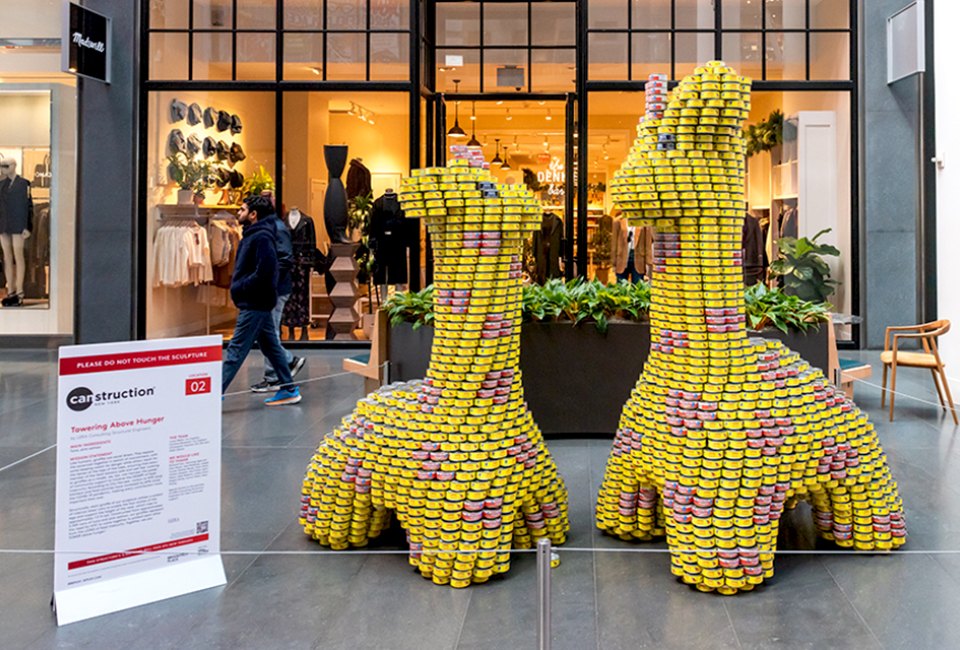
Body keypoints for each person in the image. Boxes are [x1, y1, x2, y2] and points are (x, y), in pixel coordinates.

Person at [222, 194, 301, 406]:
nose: (239, 212)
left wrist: (241, 286)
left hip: (255, 301)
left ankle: (212, 395)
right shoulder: (255, 234)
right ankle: (289, 388)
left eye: (242, 209)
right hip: (259, 300)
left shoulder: (262, 236)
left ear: (253, 214)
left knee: (236, 348)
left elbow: (267, 271)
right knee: (271, 346)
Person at [250, 203, 306, 392]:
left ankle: (276, 374)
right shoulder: (265, 230)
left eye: (244, 210)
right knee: (267, 332)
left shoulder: (277, 230)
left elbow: (284, 259)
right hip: (269, 288)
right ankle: (281, 369)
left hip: (275, 289)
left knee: (269, 332)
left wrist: (269, 281)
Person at [0, 158, 33, 307]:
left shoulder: (24, 184)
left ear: (14, 166)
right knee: (7, 257)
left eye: (6, 166)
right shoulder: (1, 185)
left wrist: (28, 226)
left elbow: (29, 206)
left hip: (19, 224)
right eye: (2, 166)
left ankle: (20, 291)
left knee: (18, 255)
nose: (3, 169)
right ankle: (11, 290)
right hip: (3, 224)